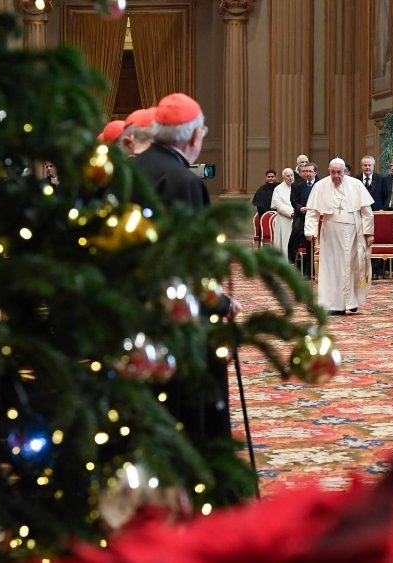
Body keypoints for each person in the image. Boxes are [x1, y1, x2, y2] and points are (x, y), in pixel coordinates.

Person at [131, 92, 240, 444]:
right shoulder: (184, 182)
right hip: (174, 315)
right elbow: (191, 262)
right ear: (193, 137)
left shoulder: (131, 170)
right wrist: (221, 302)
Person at [304, 158, 375, 315]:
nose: (336, 176)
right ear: (329, 170)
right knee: (331, 268)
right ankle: (332, 304)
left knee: (353, 267)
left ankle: (352, 301)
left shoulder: (356, 185)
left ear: (345, 171)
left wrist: (369, 233)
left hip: (353, 233)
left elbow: (367, 212)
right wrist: (310, 230)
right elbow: (312, 211)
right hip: (330, 233)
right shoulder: (320, 185)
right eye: (333, 172)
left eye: (339, 172)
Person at [289, 162, 318, 275]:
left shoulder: (320, 185)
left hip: (316, 219)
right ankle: (301, 270)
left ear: (315, 172)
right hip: (301, 218)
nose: (308, 173)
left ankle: (314, 271)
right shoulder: (297, 185)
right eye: (305, 171)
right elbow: (293, 201)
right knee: (297, 240)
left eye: (310, 171)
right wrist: (300, 208)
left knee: (313, 244)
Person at [271, 168, 296, 259]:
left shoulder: (298, 186)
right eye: (288, 176)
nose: (290, 178)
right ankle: (285, 263)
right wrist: (292, 213)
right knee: (285, 241)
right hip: (284, 218)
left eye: (292, 175)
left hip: (298, 218)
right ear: (283, 177)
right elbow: (278, 205)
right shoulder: (278, 189)